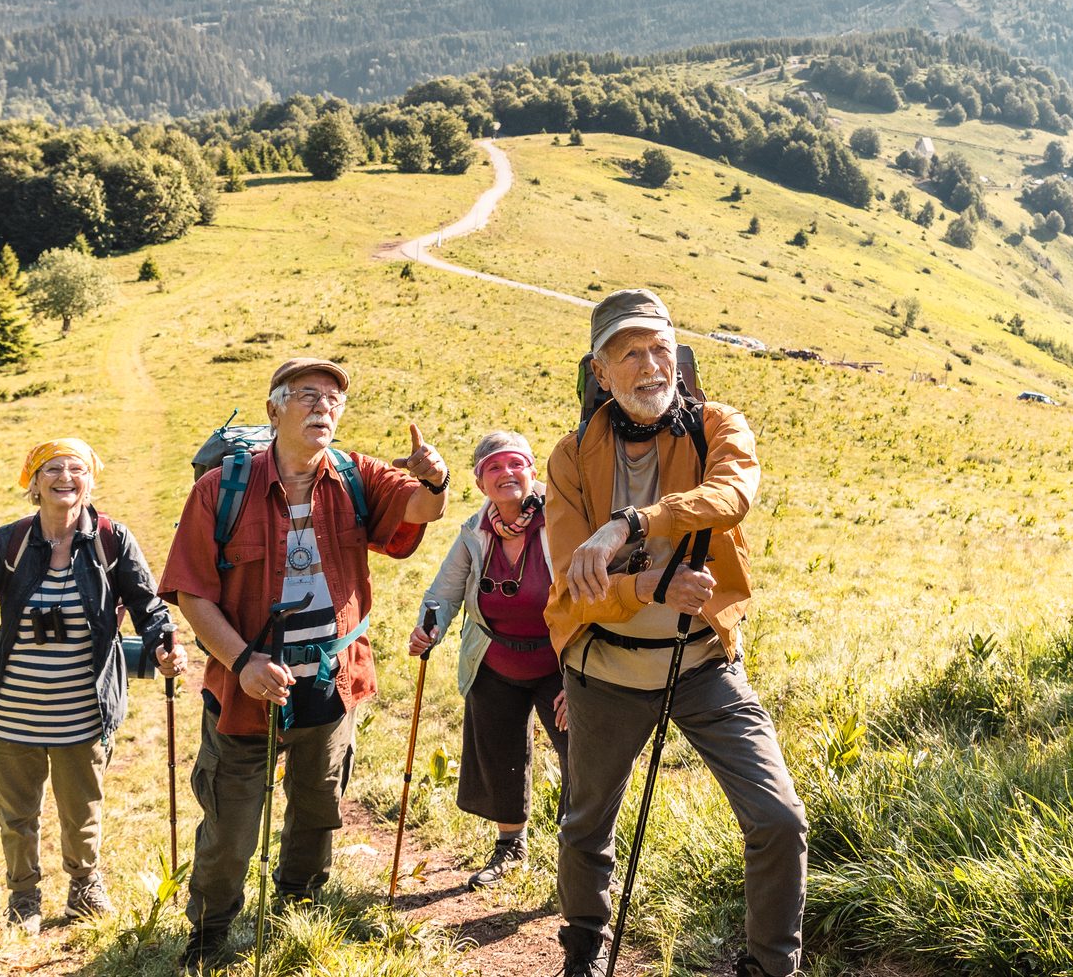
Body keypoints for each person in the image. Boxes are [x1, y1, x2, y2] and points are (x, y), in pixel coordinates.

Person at [545, 289, 808, 977]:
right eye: (628, 352)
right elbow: (575, 588)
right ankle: (581, 947)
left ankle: (770, 966)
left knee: (778, 817)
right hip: (603, 670)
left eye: (659, 347)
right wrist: (654, 587)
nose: (649, 364)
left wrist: (630, 524)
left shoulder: (719, 425)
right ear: (599, 371)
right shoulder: (570, 457)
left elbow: (732, 496)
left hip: (704, 664)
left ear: (678, 355)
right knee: (585, 826)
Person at [158, 357, 452, 972]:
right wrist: (241, 662)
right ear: (273, 411)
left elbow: (420, 512)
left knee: (318, 802)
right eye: (308, 396)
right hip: (244, 686)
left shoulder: (355, 476)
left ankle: (297, 905)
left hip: (331, 676)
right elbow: (192, 592)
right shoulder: (220, 489)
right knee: (233, 826)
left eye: (334, 399)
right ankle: (209, 935)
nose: (324, 407)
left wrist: (435, 480)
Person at [0, 437, 189, 933]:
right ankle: (23, 899)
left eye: (76, 468)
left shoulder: (112, 540)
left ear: (90, 479)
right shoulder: (10, 542)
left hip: (83, 709)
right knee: (18, 815)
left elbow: (149, 607)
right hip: (9, 708)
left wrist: (166, 646)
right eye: (52, 469)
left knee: (81, 810)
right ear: (33, 483)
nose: (65, 477)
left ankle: (84, 887)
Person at [408, 430, 570, 890]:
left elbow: (584, 598)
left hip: (559, 663)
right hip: (495, 660)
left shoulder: (560, 521)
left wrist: (580, 679)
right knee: (499, 755)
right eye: (494, 468)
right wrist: (428, 630)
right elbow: (443, 592)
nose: (506, 474)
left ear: (532, 472)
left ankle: (579, 853)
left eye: (515, 464)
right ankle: (510, 847)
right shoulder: (474, 532)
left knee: (580, 756)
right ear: (480, 483)